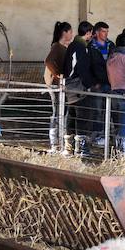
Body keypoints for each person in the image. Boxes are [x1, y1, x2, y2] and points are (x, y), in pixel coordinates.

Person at [62, 21, 99, 155]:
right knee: (83, 117)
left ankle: (69, 147)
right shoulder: (81, 47)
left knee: (71, 116)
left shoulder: (72, 45)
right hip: (78, 87)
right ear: (88, 33)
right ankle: (82, 149)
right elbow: (83, 69)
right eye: (91, 33)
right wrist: (91, 84)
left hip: (69, 86)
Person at [44, 21, 72, 152]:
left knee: (62, 112)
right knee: (57, 113)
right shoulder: (57, 47)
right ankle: (54, 143)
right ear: (64, 33)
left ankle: (58, 142)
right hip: (57, 86)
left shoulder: (62, 47)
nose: (71, 34)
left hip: (60, 86)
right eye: (70, 32)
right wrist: (58, 76)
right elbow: (48, 61)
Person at [88, 22, 113, 146]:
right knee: (97, 110)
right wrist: (93, 82)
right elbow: (87, 66)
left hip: (109, 83)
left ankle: (106, 134)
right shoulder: (90, 47)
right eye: (103, 31)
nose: (106, 34)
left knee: (108, 109)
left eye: (107, 31)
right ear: (97, 32)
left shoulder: (111, 45)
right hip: (97, 84)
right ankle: (97, 135)